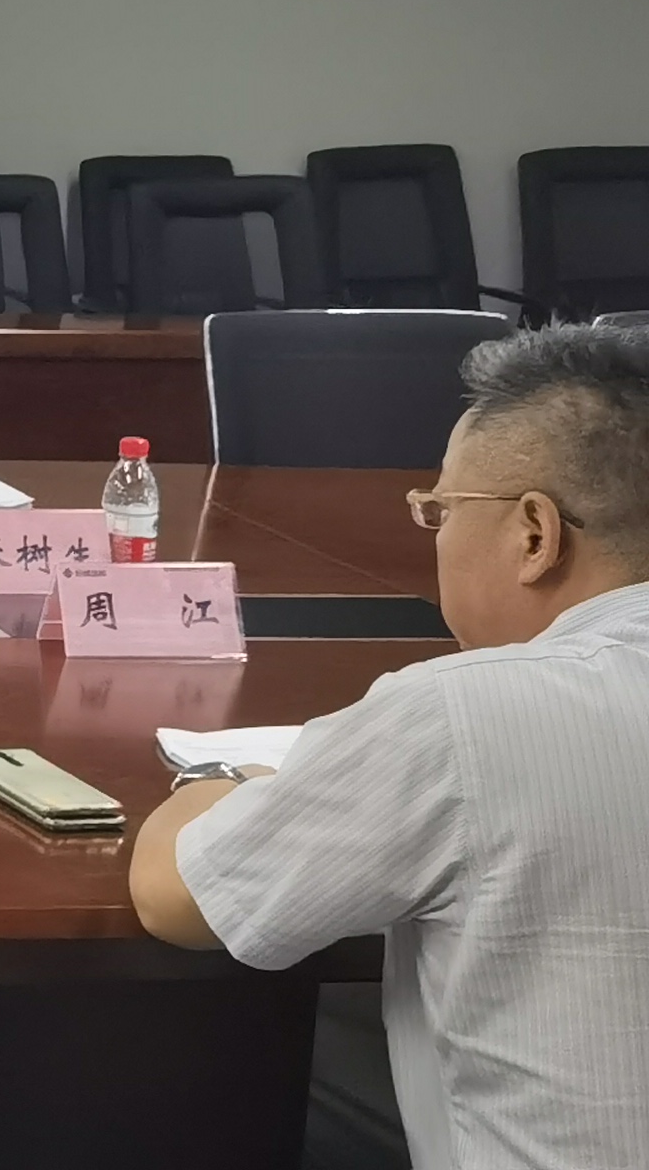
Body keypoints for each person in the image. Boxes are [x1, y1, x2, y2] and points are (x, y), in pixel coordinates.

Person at [130, 325, 649, 1170]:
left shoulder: (464, 715)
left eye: (441, 510)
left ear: (534, 534)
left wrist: (220, 783)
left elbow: (179, 899)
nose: (433, 534)